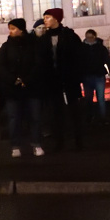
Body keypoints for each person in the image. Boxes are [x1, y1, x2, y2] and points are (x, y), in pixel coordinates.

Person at [0, 18, 45, 157]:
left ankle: (36, 144)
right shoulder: (6, 46)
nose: (10, 31)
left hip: (32, 87)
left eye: (13, 28)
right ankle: (15, 146)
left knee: (35, 117)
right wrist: (14, 79)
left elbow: (38, 65)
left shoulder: (33, 45)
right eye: (10, 29)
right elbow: (0, 67)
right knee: (14, 118)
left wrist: (26, 79)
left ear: (21, 29)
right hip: (13, 89)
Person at [39, 8, 84, 151]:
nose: (45, 20)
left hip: (69, 79)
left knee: (74, 110)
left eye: (47, 17)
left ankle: (78, 140)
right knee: (55, 112)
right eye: (44, 17)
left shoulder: (69, 36)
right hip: (52, 81)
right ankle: (59, 141)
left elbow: (78, 57)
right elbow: (41, 60)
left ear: (56, 19)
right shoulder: (44, 39)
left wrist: (75, 76)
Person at [80, 29, 110, 123]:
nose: (89, 39)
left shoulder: (83, 48)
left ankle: (94, 117)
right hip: (94, 75)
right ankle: (100, 117)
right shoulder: (99, 47)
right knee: (96, 98)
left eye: (90, 37)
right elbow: (107, 61)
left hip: (91, 75)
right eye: (88, 37)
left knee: (94, 98)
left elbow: (108, 60)